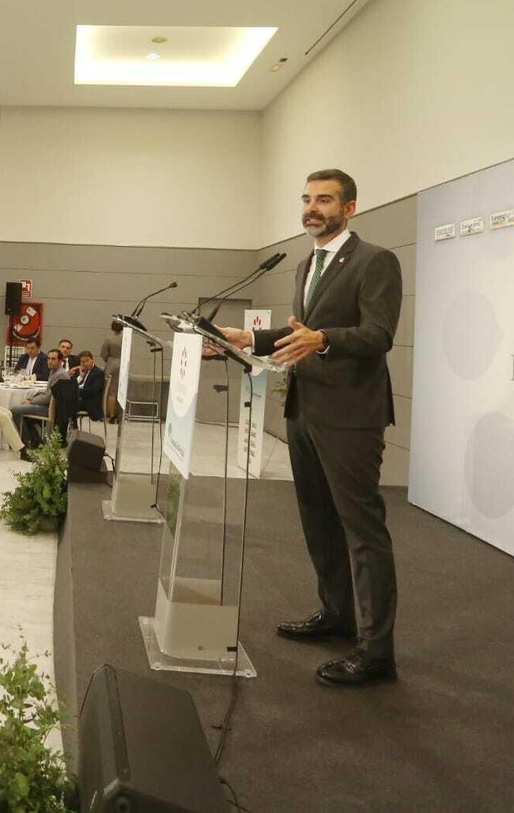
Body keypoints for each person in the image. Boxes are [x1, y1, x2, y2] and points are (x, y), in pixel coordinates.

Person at [213, 169, 402, 688]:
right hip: (304, 409)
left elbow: (377, 334)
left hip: (349, 418)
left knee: (363, 532)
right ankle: (336, 613)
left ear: (350, 207)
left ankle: (376, 650)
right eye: (307, 199)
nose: (312, 208)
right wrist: (247, 338)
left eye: (324, 199)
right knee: (318, 521)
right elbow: (301, 334)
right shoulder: (306, 265)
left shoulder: (375, 261)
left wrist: (323, 341)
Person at [10, 349, 76, 454]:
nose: (50, 361)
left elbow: (47, 397)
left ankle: (27, 441)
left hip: (51, 409)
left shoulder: (59, 374)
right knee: (23, 410)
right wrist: (31, 399)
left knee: (14, 410)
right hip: (50, 405)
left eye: (53, 359)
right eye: (49, 359)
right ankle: (35, 439)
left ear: (60, 361)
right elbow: (47, 393)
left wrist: (31, 401)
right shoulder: (54, 371)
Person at [74, 351, 105, 424]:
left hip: (90, 403)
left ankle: (72, 426)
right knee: (64, 402)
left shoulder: (98, 373)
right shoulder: (84, 371)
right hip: (83, 399)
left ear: (92, 360)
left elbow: (94, 390)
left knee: (66, 404)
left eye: (87, 361)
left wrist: (77, 391)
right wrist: (81, 376)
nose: (85, 363)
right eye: (82, 361)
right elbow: (81, 385)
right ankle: (71, 425)